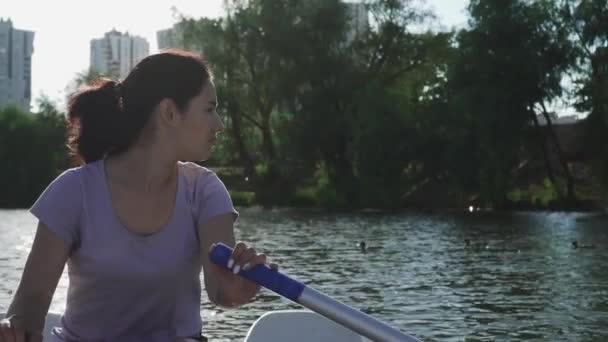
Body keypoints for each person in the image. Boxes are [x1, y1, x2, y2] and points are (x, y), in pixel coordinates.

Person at [0, 49, 274, 342]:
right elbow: (31, 302)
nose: (219, 124)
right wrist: (17, 330)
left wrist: (235, 291)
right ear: (169, 112)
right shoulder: (73, 191)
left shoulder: (205, 191)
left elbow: (220, 290)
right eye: (209, 109)